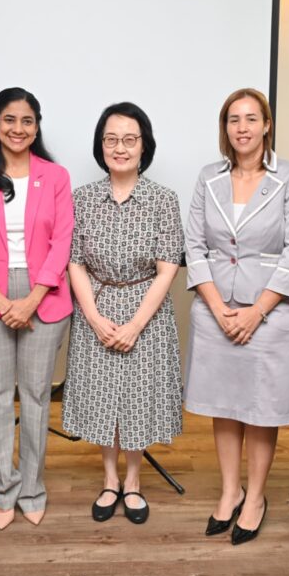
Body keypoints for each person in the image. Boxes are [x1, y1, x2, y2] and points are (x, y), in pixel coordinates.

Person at [184, 88, 289, 545]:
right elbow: (195, 245)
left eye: (251, 118)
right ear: (226, 128)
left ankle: (255, 497)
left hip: (272, 315)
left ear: (267, 125)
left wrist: (256, 312)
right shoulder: (208, 177)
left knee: (260, 409)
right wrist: (219, 307)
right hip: (215, 310)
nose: (242, 127)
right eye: (233, 119)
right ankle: (229, 491)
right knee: (224, 405)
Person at [0, 87, 73, 530]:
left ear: (36, 126)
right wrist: (3, 301)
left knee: (38, 397)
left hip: (45, 295)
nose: (17, 129)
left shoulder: (55, 176)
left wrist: (33, 298)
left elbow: (62, 241)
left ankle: (33, 489)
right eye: (9, 119)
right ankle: (3, 489)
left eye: (26, 120)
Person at [63, 102, 184, 524]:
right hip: (95, 305)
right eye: (111, 139)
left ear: (144, 145)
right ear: (101, 146)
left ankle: (133, 480)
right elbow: (74, 260)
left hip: (145, 310)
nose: (120, 147)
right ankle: (109, 478)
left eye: (129, 140)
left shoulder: (163, 199)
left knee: (137, 398)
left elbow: (168, 267)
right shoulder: (82, 198)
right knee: (101, 398)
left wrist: (135, 324)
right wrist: (94, 317)